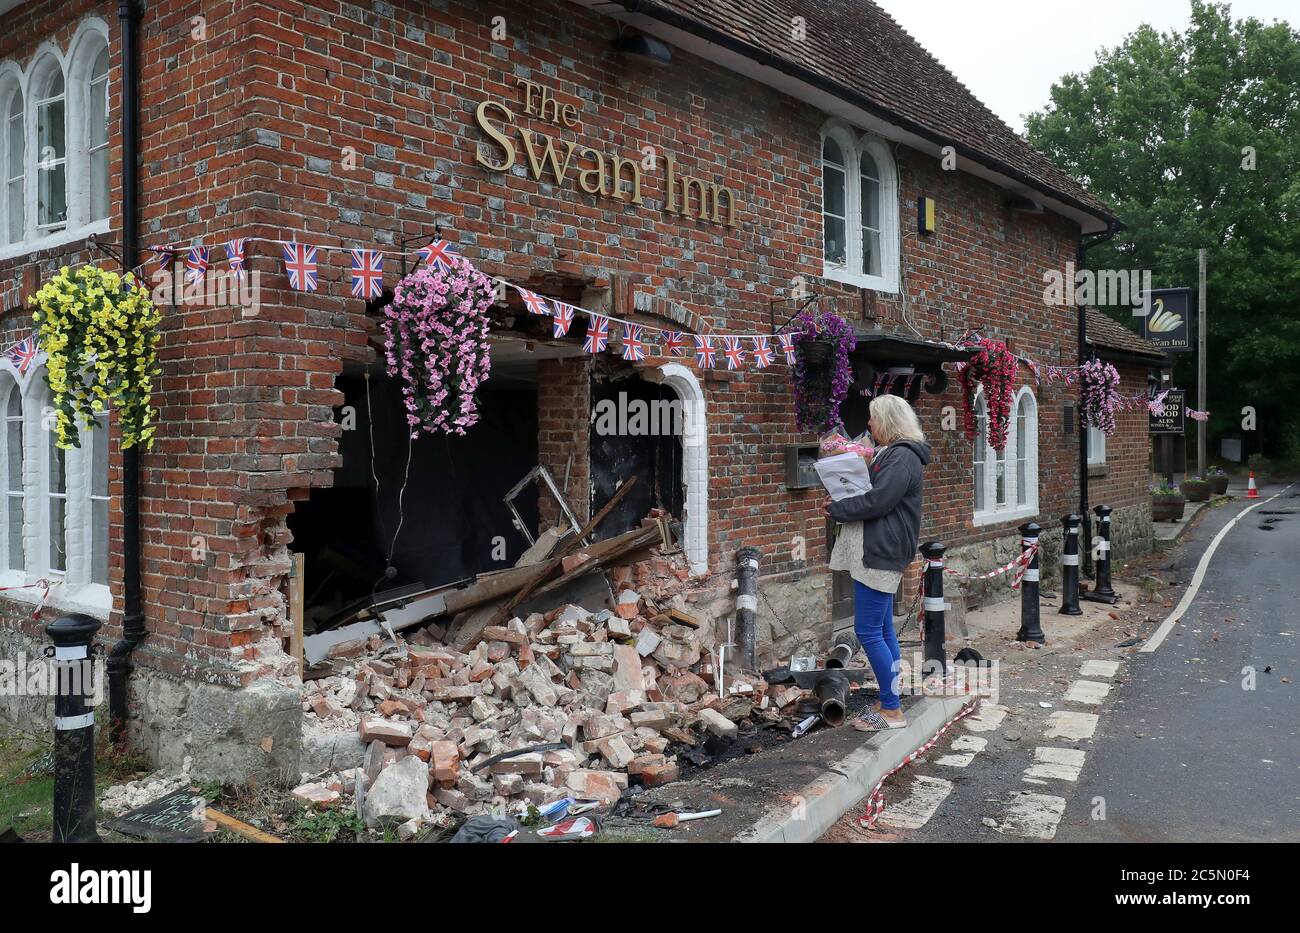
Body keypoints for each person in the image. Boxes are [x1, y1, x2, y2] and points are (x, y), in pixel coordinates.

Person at [825, 394, 931, 731]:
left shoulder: (901, 457)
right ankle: (890, 696)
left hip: (880, 550)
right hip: (881, 547)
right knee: (884, 630)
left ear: (886, 421)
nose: (868, 424)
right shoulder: (896, 454)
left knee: (867, 631)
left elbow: (879, 501)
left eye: (872, 418)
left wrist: (837, 509)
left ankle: (891, 710)